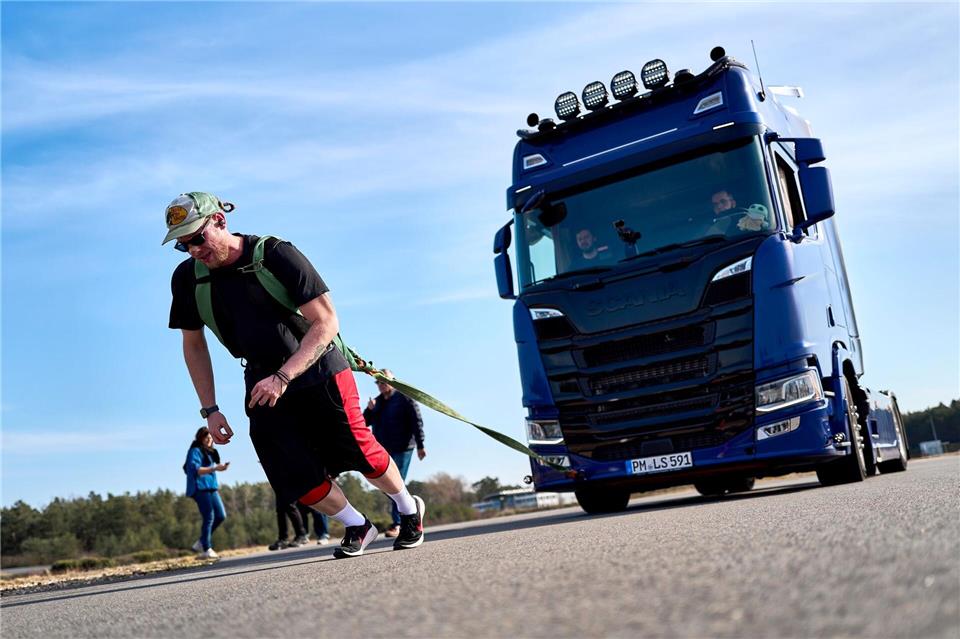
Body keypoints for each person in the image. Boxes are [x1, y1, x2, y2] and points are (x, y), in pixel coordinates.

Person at [164, 191, 425, 558]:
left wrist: (284, 376)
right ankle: (357, 524)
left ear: (220, 221)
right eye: (183, 245)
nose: (193, 250)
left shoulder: (275, 254)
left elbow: (326, 321)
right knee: (290, 473)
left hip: (319, 367)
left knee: (359, 449)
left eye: (197, 238)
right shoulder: (187, 279)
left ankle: (409, 510)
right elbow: (193, 345)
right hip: (261, 378)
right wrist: (210, 409)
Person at [363, 370, 425, 537]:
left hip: (404, 447)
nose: (381, 385)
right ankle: (411, 509)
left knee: (396, 484)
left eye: (384, 381)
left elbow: (416, 421)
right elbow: (363, 423)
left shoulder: (405, 398)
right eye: (378, 382)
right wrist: (369, 410)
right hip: (384, 450)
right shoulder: (376, 402)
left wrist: (421, 445)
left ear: (393, 381)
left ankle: (399, 523)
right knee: (388, 486)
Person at [183, 426, 229, 560]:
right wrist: (214, 468)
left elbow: (212, 468)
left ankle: (202, 541)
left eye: (211, 438)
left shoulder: (210, 452)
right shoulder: (195, 451)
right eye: (206, 438)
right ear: (201, 438)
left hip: (211, 487)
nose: (209, 440)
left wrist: (220, 468)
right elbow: (196, 469)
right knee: (209, 516)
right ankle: (206, 548)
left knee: (220, 515)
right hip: (199, 488)